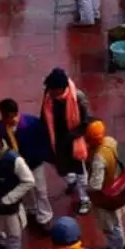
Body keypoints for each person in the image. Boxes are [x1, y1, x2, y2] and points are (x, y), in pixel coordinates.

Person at [0, 98, 54, 231]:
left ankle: (45, 217)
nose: (6, 119)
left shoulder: (32, 123)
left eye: (7, 116)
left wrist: (41, 156)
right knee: (25, 189)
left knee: (40, 190)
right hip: (16, 166)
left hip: (34, 163)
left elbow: (43, 140)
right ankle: (31, 209)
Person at [41, 67, 93, 215]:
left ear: (61, 89)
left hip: (73, 140)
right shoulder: (48, 95)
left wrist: (72, 136)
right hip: (56, 139)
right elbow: (44, 113)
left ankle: (84, 199)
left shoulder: (78, 98)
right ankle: (71, 181)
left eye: (53, 91)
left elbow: (85, 122)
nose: (51, 93)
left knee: (80, 170)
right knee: (60, 167)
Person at [85, 120, 125, 249]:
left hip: (106, 195)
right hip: (116, 185)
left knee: (110, 226)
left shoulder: (98, 158)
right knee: (117, 222)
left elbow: (95, 185)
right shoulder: (110, 141)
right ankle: (117, 247)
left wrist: (86, 188)